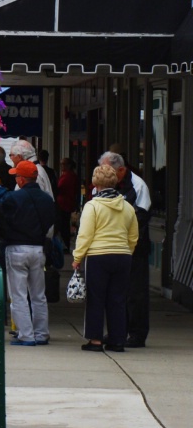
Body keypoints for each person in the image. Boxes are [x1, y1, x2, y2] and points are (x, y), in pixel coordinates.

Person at [72, 164, 139, 352]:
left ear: (95, 183)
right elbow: (133, 236)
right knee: (117, 299)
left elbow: (85, 234)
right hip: (123, 256)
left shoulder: (93, 206)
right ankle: (117, 340)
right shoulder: (127, 207)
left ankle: (95, 340)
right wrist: (127, 250)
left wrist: (78, 257)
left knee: (96, 299)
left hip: (98, 257)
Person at [99, 151, 152, 348]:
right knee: (116, 293)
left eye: (109, 170)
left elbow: (142, 217)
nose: (106, 174)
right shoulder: (107, 185)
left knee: (136, 293)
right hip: (113, 246)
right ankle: (118, 330)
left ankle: (137, 333)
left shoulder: (138, 185)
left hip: (134, 248)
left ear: (121, 170)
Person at [0, 160, 56, 346]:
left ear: (22, 180)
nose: (16, 178)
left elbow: (3, 221)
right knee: (39, 294)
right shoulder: (47, 200)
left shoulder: (13, 198)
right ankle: (41, 333)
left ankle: (26, 334)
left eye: (17, 176)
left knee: (19, 294)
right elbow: (50, 222)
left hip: (16, 248)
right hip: (38, 248)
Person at [55, 158, 80, 251]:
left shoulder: (69, 176)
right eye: (61, 164)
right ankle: (65, 244)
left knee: (63, 225)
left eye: (64, 164)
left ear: (69, 165)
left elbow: (60, 188)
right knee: (64, 225)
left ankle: (65, 245)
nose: (62, 166)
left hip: (65, 204)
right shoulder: (66, 175)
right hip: (65, 203)